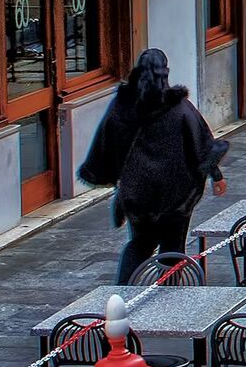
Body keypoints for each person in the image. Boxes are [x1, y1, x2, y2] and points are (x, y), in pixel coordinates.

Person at [79, 49, 229, 284]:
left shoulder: (122, 107)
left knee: (139, 245)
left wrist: (111, 176)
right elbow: (202, 145)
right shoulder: (180, 109)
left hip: (138, 195)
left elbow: (106, 142)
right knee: (172, 248)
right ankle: (168, 301)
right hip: (175, 197)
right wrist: (216, 175)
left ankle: (123, 294)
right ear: (165, 73)